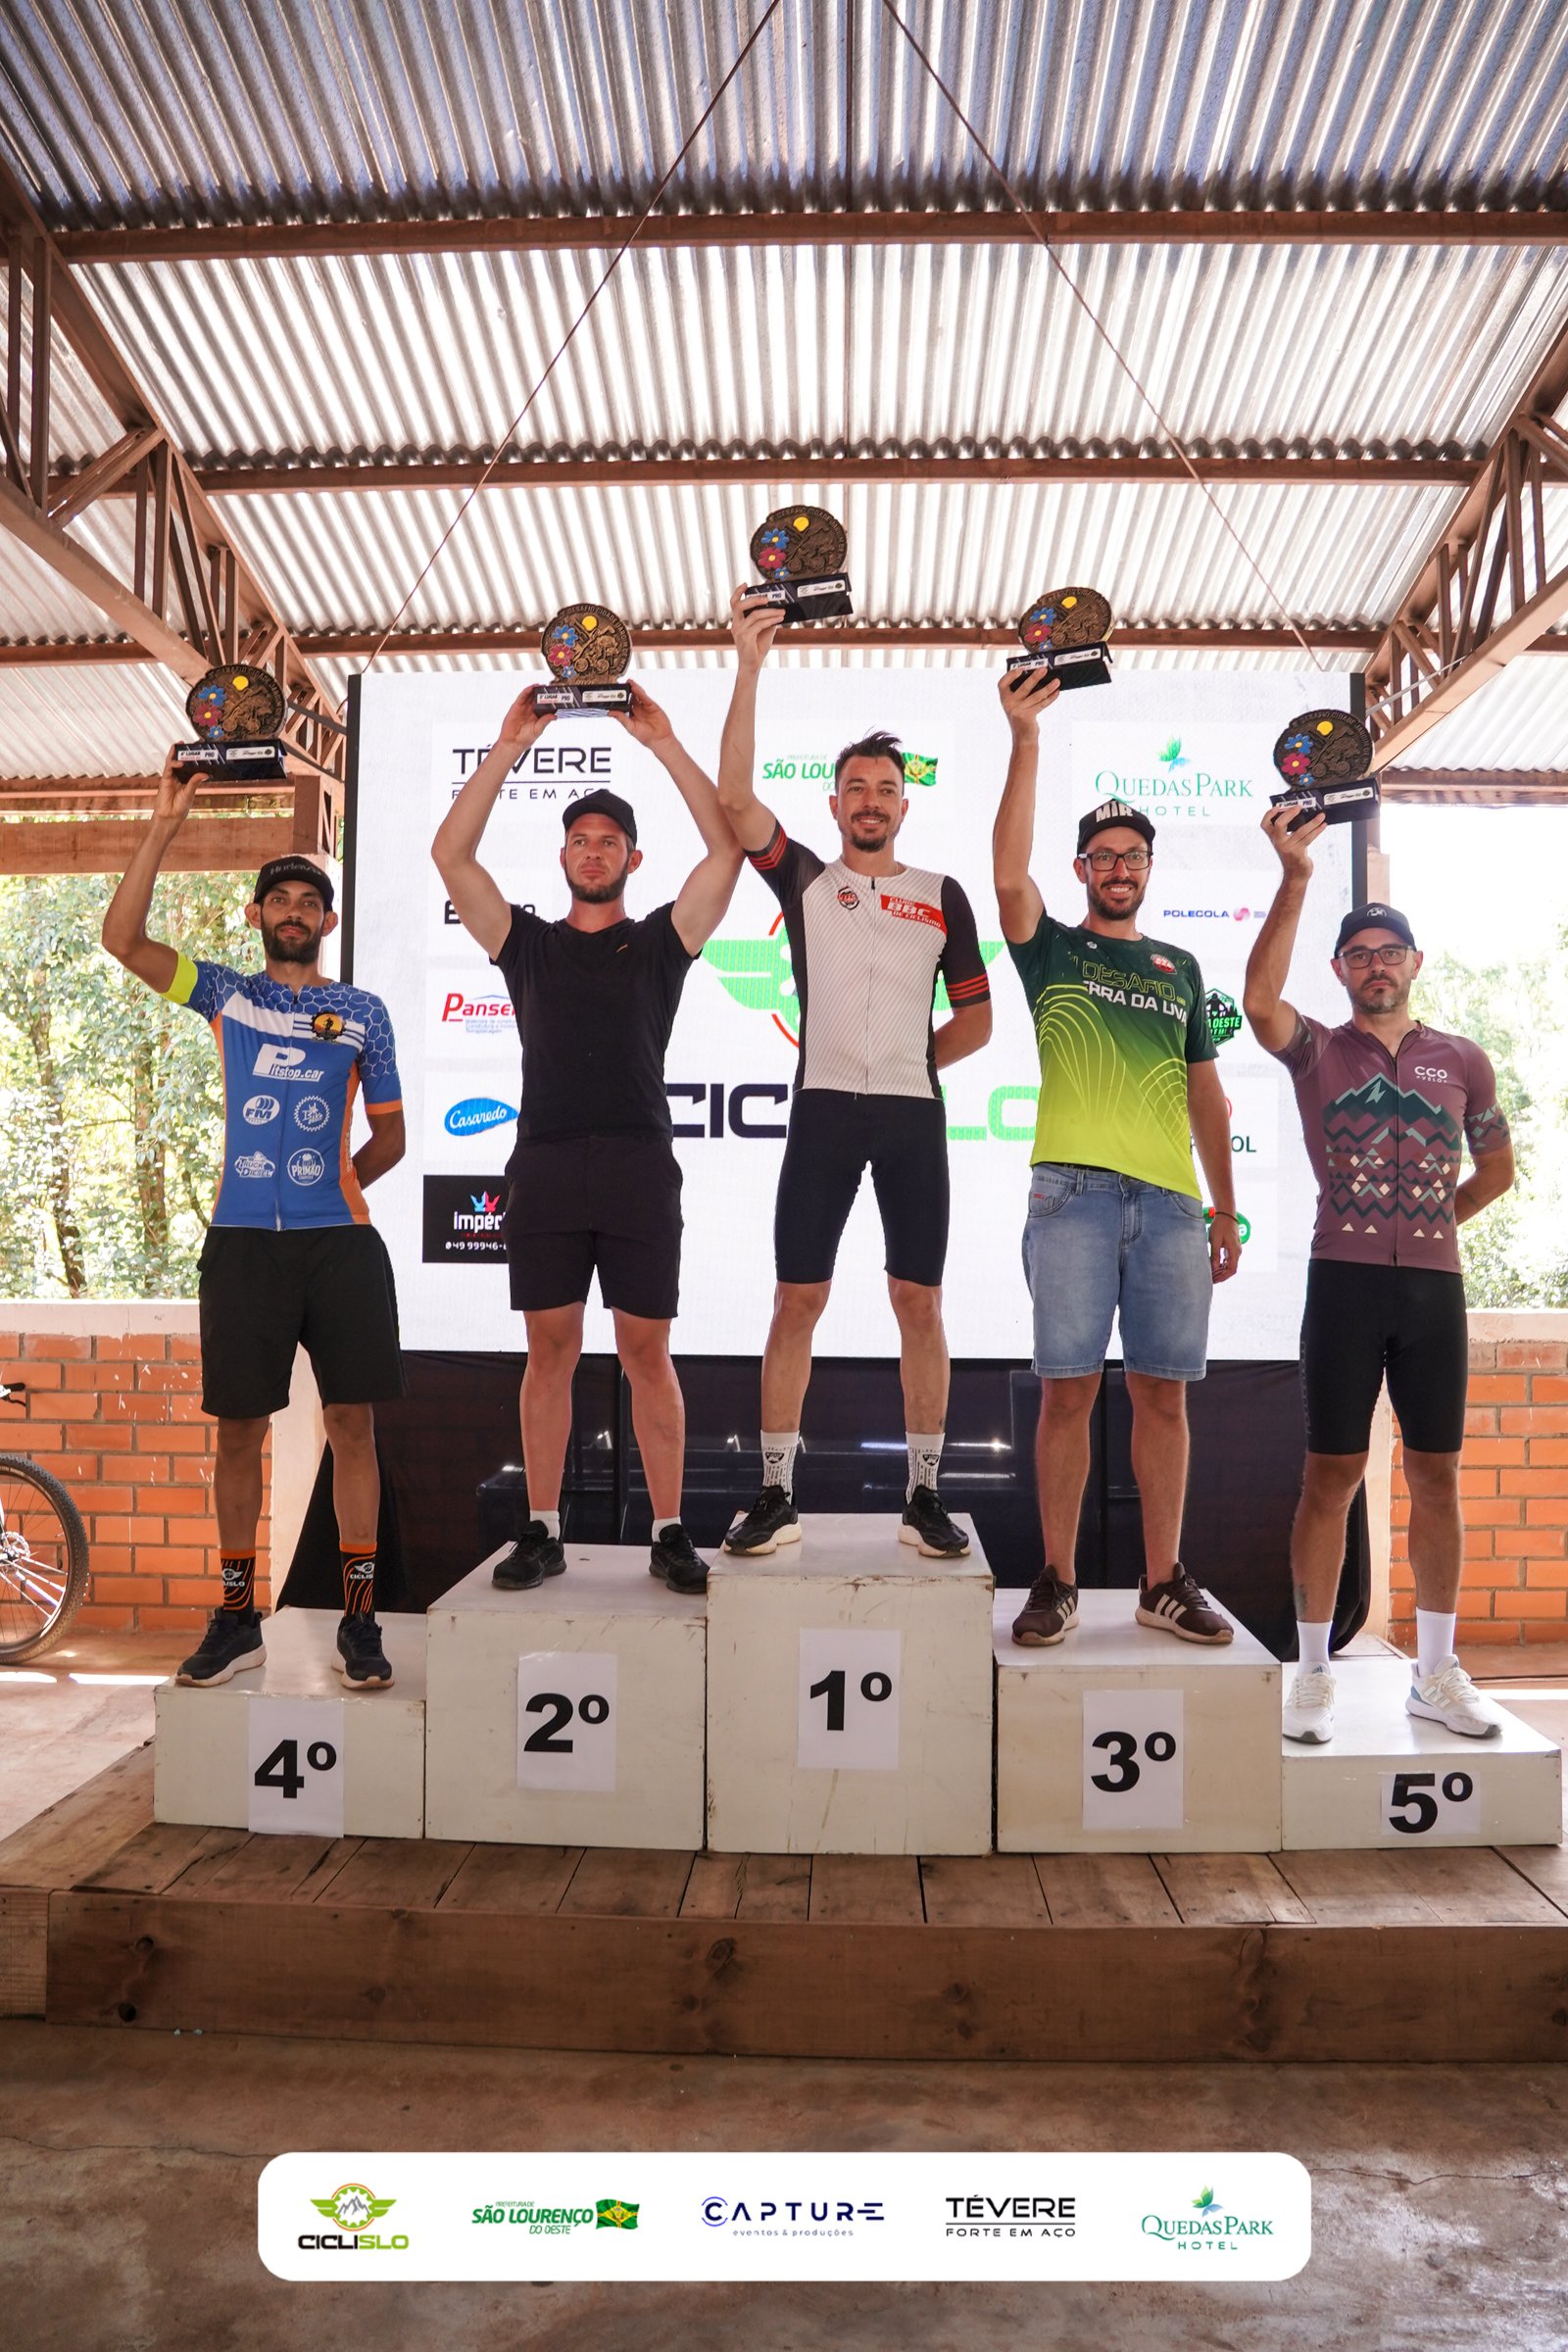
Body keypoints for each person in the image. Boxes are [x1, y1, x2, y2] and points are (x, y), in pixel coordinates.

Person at [102, 754, 407, 1690]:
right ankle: (238, 1616)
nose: (294, 911)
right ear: (256, 915)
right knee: (238, 1431)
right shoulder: (229, 994)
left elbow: (392, 1138)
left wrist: (331, 1191)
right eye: (280, 899)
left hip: (340, 1246)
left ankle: (360, 1618)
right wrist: (165, 821)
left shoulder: (361, 1011)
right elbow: (122, 939)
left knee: (352, 1425)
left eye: (309, 901)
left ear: (329, 921)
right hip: (241, 1244)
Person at [432, 681, 743, 1597]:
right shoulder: (524, 943)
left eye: (610, 840)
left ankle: (670, 1531)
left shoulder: (662, 942)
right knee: (551, 1353)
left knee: (648, 1354)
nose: (594, 850)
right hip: (548, 1165)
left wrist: (664, 741)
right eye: (581, 839)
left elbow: (727, 850)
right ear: (563, 854)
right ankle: (542, 1528)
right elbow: (450, 854)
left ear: (633, 858)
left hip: (640, 1164)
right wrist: (508, 745)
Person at [713, 590, 994, 1559]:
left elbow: (979, 1021)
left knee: (920, 1304)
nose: (870, 801)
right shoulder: (805, 879)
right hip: (823, 1113)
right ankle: (774, 1493)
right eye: (855, 788)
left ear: (904, 804)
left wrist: (912, 1058)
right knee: (797, 1301)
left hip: (912, 1115)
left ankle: (926, 1496)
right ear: (833, 804)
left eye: (885, 788)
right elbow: (735, 801)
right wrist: (749, 665)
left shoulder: (942, 894)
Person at [1244, 808, 1516, 1742]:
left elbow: (1497, 1171)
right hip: (1344, 1285)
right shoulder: (1319, 1048)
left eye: (1388, 951)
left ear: (1414, 962)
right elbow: (1257, 1004)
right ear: (1340, 972)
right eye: (1358, 955)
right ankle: (1314, 1672)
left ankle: (1434, 1673)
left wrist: (1432, 1225)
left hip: (1433, 1291)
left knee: (1438, 1475)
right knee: (1332, 1475)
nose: (1375, 965)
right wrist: (1294, 877)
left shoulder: (1463, 1060)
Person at [994, 668, 1243, 1647]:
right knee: (1067, 1392)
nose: (1117, 867)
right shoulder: (1051, 949)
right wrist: (1024, 736)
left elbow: (1207, 1096)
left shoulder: (1181, 967)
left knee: (1162, 1397)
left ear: (1147, 866)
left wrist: (1224, 1208)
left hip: (1174, 1206)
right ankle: (1055, 1579)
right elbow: (1006, 876)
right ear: (1082, 869)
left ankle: (1161, 1581)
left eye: (1131, 854)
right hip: (1074, 1197)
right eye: (1101, 856)